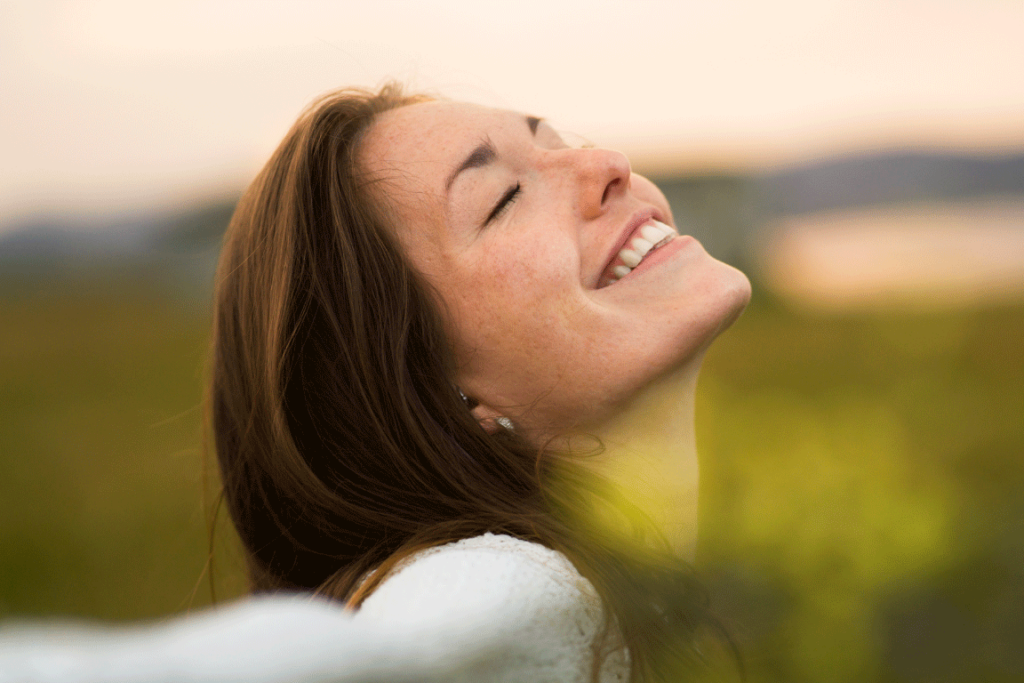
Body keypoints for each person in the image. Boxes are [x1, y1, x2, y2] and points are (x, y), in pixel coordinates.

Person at [0, 83, 750, 683]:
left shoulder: (654, 592)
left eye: (562, 143)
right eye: (503, 199)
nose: (607, 164)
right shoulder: (512, 587)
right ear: (432, 390)